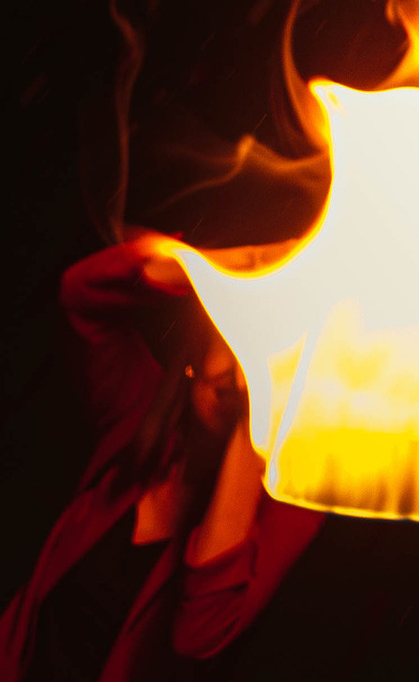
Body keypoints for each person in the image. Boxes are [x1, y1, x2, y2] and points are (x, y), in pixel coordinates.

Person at [0, 243, 317, 678]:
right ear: (198, 350)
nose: (238, 371)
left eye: (263, 357)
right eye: (233, 341)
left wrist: (256, 415)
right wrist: (209, 269)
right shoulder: (138, 410)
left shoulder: (289, 506)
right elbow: (81, 295)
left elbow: (198, 635)